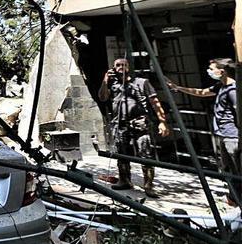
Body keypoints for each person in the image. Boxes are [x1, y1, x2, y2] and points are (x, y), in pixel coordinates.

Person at [168, 58, 240, 207]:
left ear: (222, 71)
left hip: (232, 135)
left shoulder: (233, 89)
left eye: (212, 69)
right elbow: (201, 92)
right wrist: (178, 88)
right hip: (222, 134)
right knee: (227, 169)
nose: (210, 71)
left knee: (237, 169)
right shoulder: (220, 86)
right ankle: (234, 197)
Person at [98, 58, 171, 197]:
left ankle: (148, 185)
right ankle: (124, 180)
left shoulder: (141, 82)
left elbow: (155, 102)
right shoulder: (113, 84)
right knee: (122, 155)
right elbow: (102, 97)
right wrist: (105, 80)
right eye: (118, 65)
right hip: (120, 125)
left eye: (124, 65)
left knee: (146, 155)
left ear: (129, 67)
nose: (121, 67)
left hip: (140, 124)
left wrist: (162, 121)